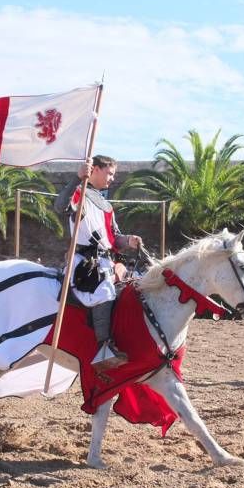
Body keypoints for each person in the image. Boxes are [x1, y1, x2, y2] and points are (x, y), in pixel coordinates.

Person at [54, 156, 143, 370]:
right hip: (86, 262)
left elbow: (114, 238)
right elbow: (59, 206)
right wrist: (77, 178)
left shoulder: (107, 206)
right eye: (110, 173)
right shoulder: (79, 193)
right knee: (105, 290)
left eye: (113, 174)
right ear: (95, 169)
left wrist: (128, 240)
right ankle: (104, 349)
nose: (112, 178)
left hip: (106, 260)